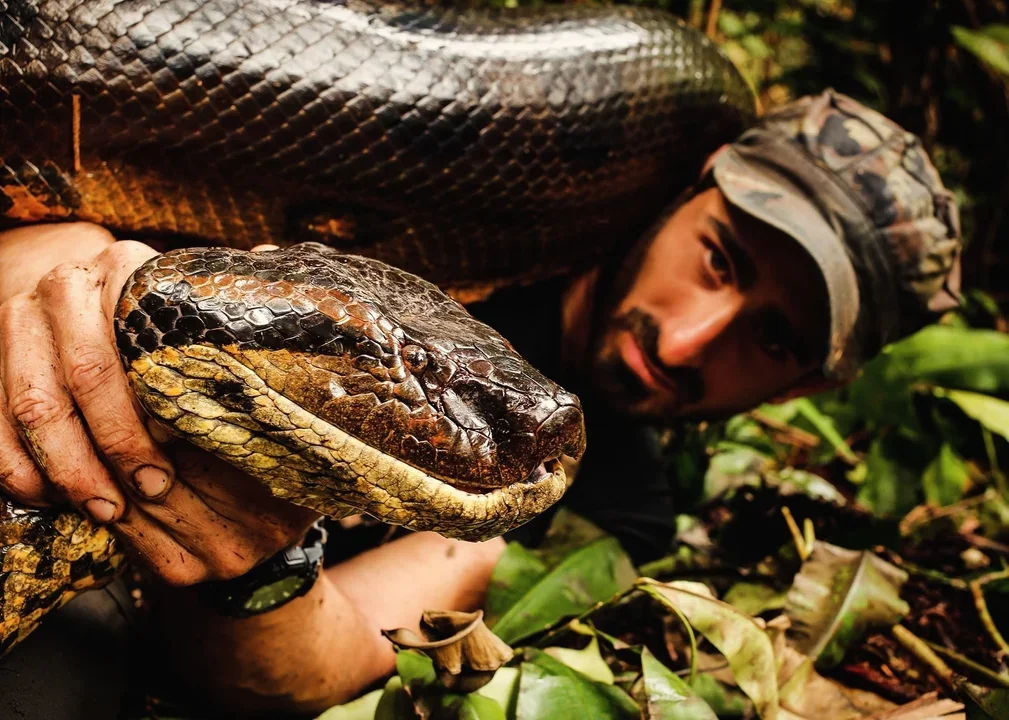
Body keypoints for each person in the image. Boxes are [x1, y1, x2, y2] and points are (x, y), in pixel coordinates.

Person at [0, 89, 961, 717]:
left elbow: (318, 662)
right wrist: (58, 260)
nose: (686, 340)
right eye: (722, 258)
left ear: (811, 386)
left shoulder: (610, 506)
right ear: (690, 184)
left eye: (774, 337)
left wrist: (258, 556)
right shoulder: (405, 190)